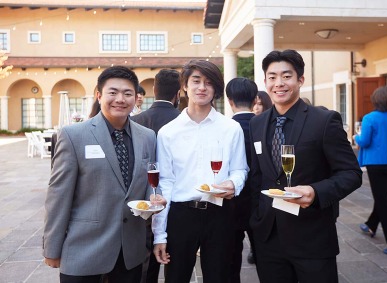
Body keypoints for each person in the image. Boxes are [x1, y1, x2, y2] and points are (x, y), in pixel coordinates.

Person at [43, 65, 166, 283]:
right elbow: (58, 195)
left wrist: (153, 198)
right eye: (113, 92)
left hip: (130, 252)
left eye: (127, 93)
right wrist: (52, 247)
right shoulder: (73, 136)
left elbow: (148, 180)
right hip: (84, 249)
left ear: (136, 98)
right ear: (99, 95)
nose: (120, 99)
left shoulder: (148, 137)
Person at [249, 49, 362, 283]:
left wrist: (315, 191)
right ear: (265, 81)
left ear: (300, 80)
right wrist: (254, 219)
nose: (279, 83)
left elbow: (351, 173)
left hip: (312, 236)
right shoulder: (257, 123)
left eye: (286, 76)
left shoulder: (324, 120)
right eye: (272, 77)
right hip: (268, 237)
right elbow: (256, 175)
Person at [152, 59, 248, 283]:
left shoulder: (231, 128)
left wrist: (233, 184)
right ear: (184, 86)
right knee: (176, 277)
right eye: (196, 81)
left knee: (220, 277)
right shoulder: (168, 132)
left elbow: (240, 169)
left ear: (216, 89)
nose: (202, 87)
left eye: (209, 83)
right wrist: (160, 234)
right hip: (181, 214)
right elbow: (164, 182)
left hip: (220, 213)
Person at [131, 69, 181, 283]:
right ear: (179, 94)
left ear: (154, 89)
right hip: (177, 204)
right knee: (177, 266)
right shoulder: (183, 120)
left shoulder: (136, 121)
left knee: (144, 269)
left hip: (143, 203)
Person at [353, 86, 387, 256]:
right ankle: (371, 224)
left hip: (376, 165)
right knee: (384, 198)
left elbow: (364, 141)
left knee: (384, 202)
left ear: (376, 100)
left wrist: (354, 137)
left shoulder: (369, 118)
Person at [225, 77, 258, 283]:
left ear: (229, 101)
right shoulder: (264, 125)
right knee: (265, 258)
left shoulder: (225, 129)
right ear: (255, 100)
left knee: (231, 260)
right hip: (259, 203)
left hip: (232, 203)